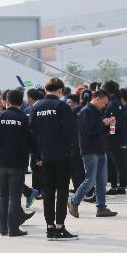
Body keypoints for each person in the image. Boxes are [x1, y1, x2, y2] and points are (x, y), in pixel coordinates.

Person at [29, 78, 78, 241]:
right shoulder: (61, 106)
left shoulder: (36, 107)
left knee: (48, 192)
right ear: (61, 90)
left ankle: (49, 227)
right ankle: (60, 226)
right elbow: (70, 132)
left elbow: (31, 134)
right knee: (62, 190)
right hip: (61, 155)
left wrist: (37, 155)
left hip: (44, 157)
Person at [69, 89, 118, 218]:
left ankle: (101, 207)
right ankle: (74, 202)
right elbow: (90, 130)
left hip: (101, 149)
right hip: (90, 151)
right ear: (96, 98)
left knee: (101, 181)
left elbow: (100, 131)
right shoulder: (85, 112)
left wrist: (108, 126)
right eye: (103, 102)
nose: (104, 105)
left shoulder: (97, 112)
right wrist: (103, 123)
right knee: (90, 180)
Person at [0, 89, 33, 237]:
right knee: (15, 196)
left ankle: (2, 228)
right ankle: (13, 228)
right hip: (17, 162)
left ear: (6, 101)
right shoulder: (23, 119)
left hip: (0, 162)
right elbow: (31, 140)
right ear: (21, 102)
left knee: (3, 196)